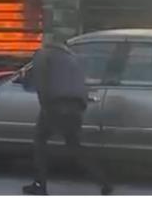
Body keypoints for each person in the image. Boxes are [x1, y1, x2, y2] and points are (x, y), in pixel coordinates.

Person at [21, 33, 112, 196]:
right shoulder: (72, 57)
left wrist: (45, 106)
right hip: (76, 106)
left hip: (55, 104)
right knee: (74, 146)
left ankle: (39, 185)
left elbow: (41, 82)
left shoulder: (43, 54)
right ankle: (104, 182)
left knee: (40, 142)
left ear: (48, 41)